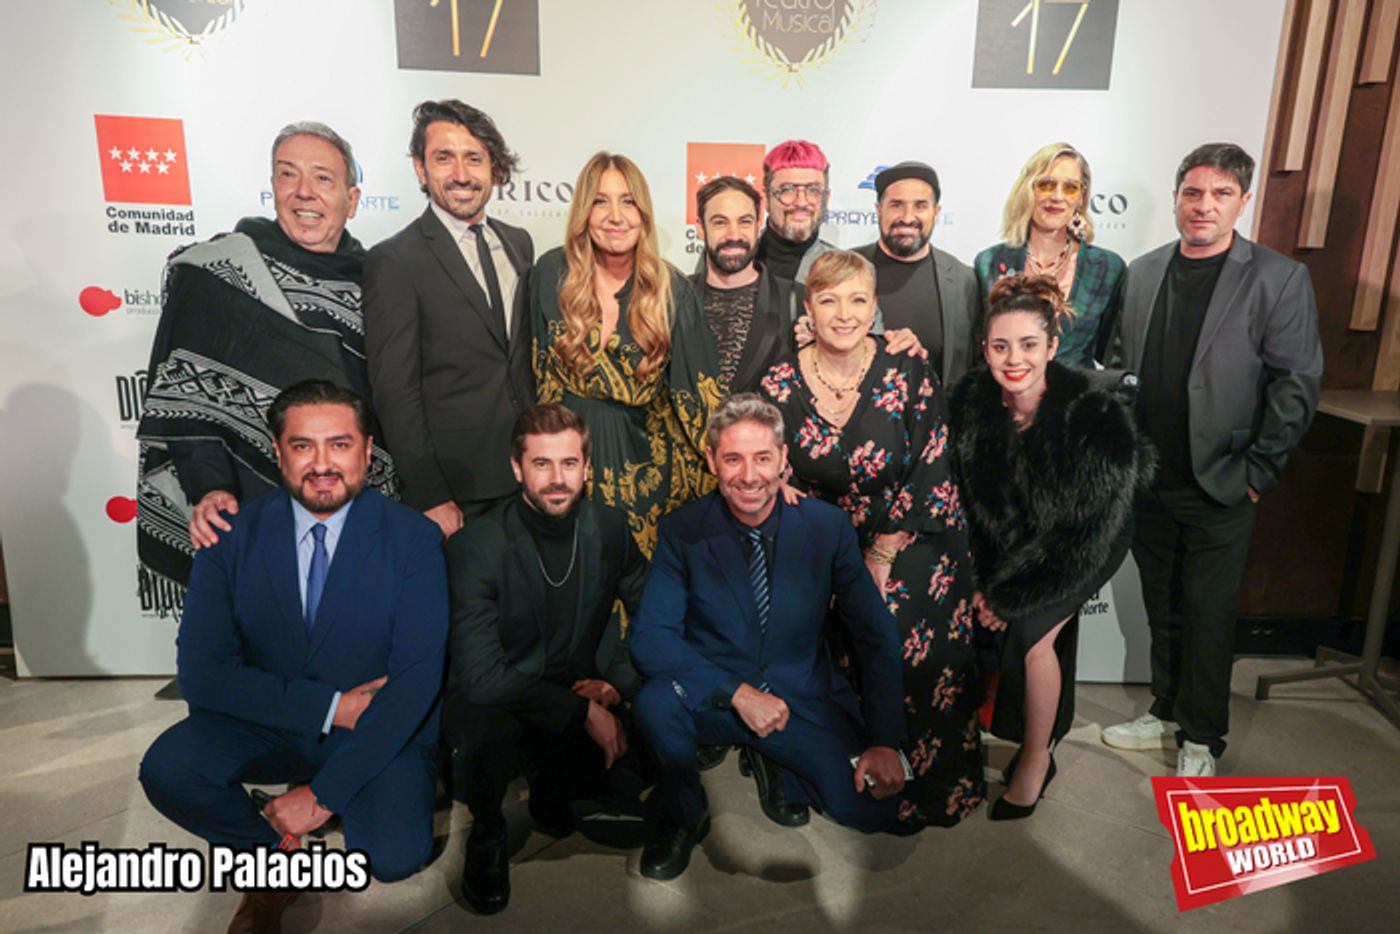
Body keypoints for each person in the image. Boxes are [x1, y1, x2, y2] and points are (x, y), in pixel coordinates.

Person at [139, 380, 448, 931]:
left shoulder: (413, 538)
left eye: (340, 444)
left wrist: (324, 795)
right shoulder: (231, 534)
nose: (322, 464)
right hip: (274, 722)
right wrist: (329, 706)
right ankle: (270, 859)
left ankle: (346, 795)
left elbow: (417, 681)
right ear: (277, 452)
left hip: (372, 727)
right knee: (169, 770)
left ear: (367, 451)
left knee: (394, 858)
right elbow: (203, 675)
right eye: (303, 446)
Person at [1103, 143, 1322, 776]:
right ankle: (1167, 710)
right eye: (1193, 193)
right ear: (1176, 197)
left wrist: (1258, 473)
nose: (1204, 206)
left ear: (1243, 202)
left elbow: (1296, 383)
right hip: (1149, 477)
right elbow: (1119, 364)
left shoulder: (1277, 278)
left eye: (1220, 194)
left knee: (1206, 611)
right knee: (1162, 604)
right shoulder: (1142, 272)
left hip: (1223, 481)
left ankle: (1201, 735)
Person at [630, 394, 909, 881]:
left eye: (763, 458)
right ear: (713, 459)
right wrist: (736, 693)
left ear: (784, 460)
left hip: (795, 695)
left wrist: (886, 740)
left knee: (875, 810)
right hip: (716, 696)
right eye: (733, 459)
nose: (749, 475)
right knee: (654, 703)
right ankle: (683, 814)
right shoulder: (683, 529)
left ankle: (772, 760)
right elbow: (651, 639)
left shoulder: (827, 527)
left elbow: (875, 633)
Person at [758, 250, 984, 831]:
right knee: (821, 644)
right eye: (828, 299)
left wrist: (881, 553)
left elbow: (932, 462)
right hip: (829, 542)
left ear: (875, 307)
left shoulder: (908, 368)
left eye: (858, 299)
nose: (844, 313)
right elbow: (780, 471)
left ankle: (928, 784)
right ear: (807, 307)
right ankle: (851, 779)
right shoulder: (779, 380)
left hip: (915, 533)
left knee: (905, 640)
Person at [136, 122, 398, 610]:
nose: (304, 193)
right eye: (287, 175)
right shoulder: (216, 272)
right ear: (272, 186)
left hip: (360, 508)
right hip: (249, 504)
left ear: (352, 197)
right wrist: (209, 488)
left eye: (323, 178)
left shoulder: (381, 281)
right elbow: (187, 400)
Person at [950, 276, 1154, 820]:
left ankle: (1037, 758)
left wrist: (1008, 594)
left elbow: (1082, 531)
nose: (1013, 359)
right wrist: (978, 582)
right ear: (984, 348)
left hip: (1088, 540)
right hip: (1014, 538)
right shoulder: (970, 404)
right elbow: (969, 507)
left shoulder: (1094, 416)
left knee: (1032, 638)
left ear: (1053, 348)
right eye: (1000, 346)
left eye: (1028, 345)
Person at [441, 403, 649, 915]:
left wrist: (616, 685)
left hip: (579, 685)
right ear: (517, 468)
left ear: (586, 465)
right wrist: (582, 713)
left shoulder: (610, 526)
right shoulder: (476, 546)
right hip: (506, 697)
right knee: (483, 731)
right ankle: (488, 834)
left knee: (637, 797)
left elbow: (653, 612)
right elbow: (482, 677)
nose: (558, 480)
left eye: (569, 463)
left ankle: (555, 783)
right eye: (541, 464)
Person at [531, 152, 722, 557]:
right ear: (584, 210)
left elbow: (701, 398)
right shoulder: (550, 274)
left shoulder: (673, 289)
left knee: (639, 598)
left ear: (644, 213)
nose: (615, 216)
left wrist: (740, 466)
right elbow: (534, 377)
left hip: (649, 477)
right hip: (565, 469)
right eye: (601, 201)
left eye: (628, 201)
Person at [365, 100, 535, 539]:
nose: (461, 174)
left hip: (528, 481)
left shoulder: (518, 244)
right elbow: (394, 391)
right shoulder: (395, 260)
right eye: (444, 158)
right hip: (457, 494)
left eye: (474, 158)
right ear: (421, 169)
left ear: (494, 169)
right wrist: (430, 493)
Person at [691, 174, 926, 395]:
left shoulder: (799, 298)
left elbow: (850, 349)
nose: (734, 234)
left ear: (757, 226)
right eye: (720, 222)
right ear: (701, 228)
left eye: (744, 222)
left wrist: (894, 346)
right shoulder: (675, 296)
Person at [974, 143, 1126, 368]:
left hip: (1076, 398)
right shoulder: (990, 263)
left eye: (1070, 188)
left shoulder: (1106, 269)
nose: (1057, 197)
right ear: (1028, 190)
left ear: (1082, 197)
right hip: (1004, 398)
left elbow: (1111, 354)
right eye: (1046, 185)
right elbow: (980, 348)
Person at [853, 161, 981, 385]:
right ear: (878, 210)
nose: (907, 217)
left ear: (936, 212)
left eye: (920, 205)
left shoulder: (964, 281)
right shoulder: (846, 269)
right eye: (896, 205)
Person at [754, 139, 836, 295]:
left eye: (813, 190)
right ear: (766, 198)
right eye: (787, 189)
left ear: (827, 198)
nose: (801, 202)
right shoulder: (735, 258)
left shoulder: (846, 270)